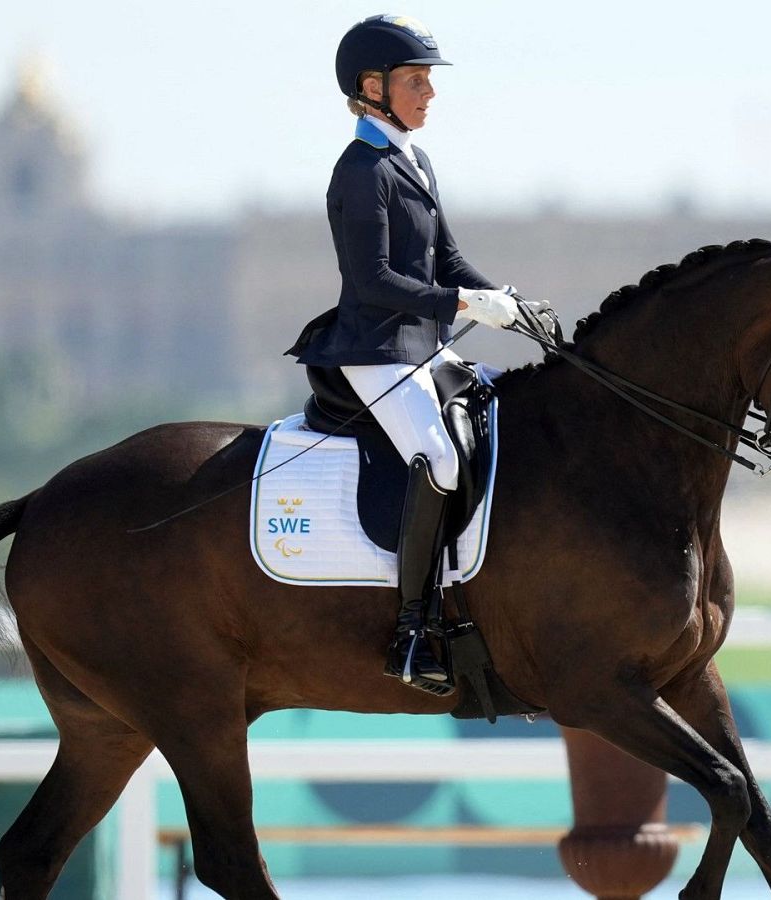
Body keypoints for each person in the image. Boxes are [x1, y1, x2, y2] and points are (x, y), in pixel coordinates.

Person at [287, 14, 519, 694]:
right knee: (439, 459)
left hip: (424, 348)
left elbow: (447, 260)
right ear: (372, 88)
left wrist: (506, 300)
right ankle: (413, 630)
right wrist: (464, 305)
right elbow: (375, 281)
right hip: (377, 351)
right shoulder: (362, 171)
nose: (429, 93)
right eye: (416, 81)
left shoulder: (413, 161)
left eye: (426, 80)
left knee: (502, 417)